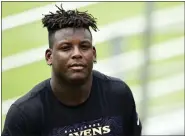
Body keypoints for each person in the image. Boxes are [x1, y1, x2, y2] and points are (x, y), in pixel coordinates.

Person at [2, 4, 142, 136]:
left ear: (93, 54)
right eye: (66, 48)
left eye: (84, 46)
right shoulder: (25, 115)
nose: (77, 54)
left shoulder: (118, 95)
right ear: (49, 57)